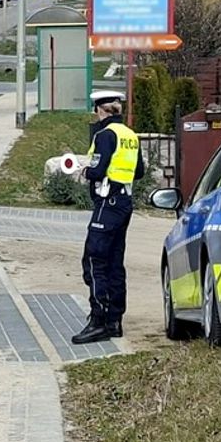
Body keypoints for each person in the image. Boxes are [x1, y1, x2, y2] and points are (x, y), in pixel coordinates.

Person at [72, 91, 145, 344]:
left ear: (99, 110)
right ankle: (115, 321)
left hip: (107, 201)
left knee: (94, 260)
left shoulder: (105, 135)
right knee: (115, 262)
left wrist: (86, 171)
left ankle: (98, 319)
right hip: (124, 202)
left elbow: (99, 170)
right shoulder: (130, 135)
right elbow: (140, 172)